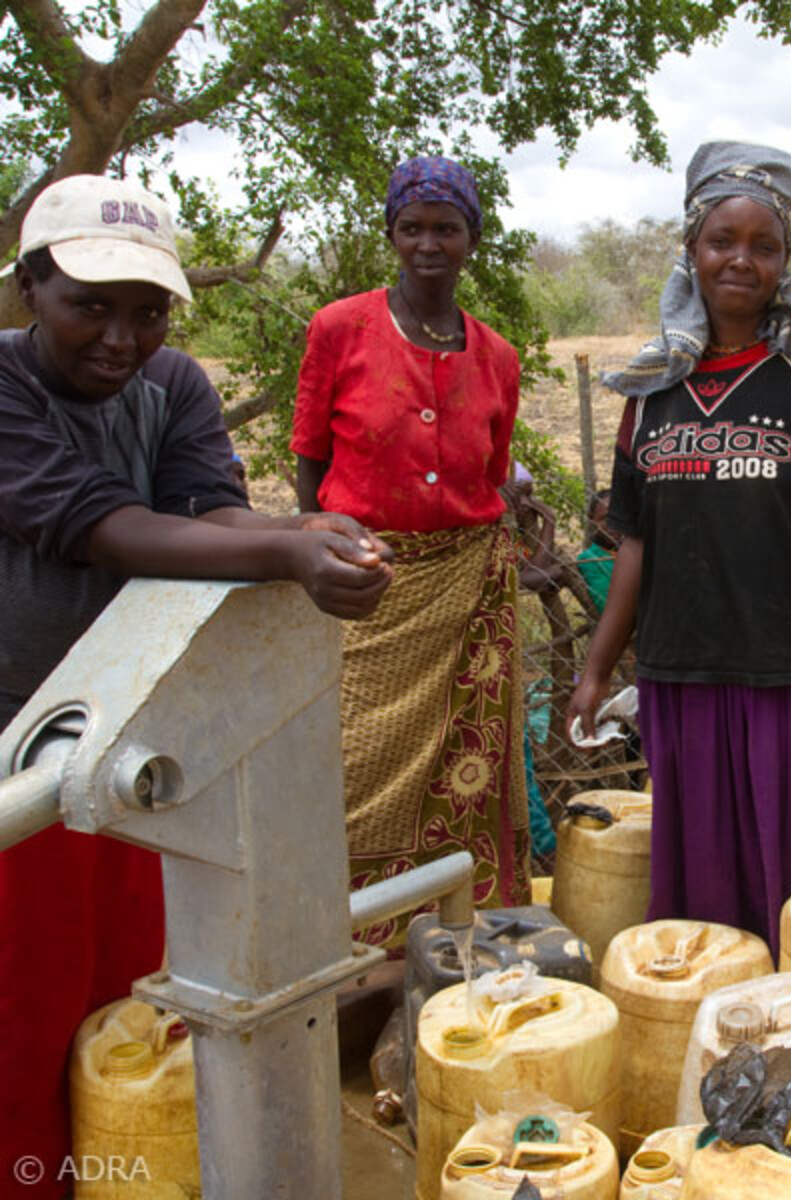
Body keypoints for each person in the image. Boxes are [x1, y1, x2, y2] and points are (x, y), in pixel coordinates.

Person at [0, 174, 392, 1193]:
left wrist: (302, 533)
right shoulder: (1, 391)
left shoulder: (173, 386)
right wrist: (285, 559)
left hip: (141, 740)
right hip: (19, 746)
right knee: (24, 1014)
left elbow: (204, 512)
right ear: (31, 287)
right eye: (89, 304)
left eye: (146, 310)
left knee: (126, 1005)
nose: (121, 338)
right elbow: (106, 528)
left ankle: (126, 1172)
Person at [568, 141, 791, 951]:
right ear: (691, 247)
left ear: (786, 260)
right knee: (708, 909)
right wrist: (594, 670)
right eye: (723, 240)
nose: (740, 260)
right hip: (684, 676)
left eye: (764, 245)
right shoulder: (650, 390)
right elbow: (636, 545)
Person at [292, 156, 530, 948]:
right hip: (369, 586)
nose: (428, 243)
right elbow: (310, 459)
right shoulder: (340, 328)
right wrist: (329, 547)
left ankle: (451, 938)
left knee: (470, 774)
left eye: (447, 228)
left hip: (469, 587)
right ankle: (339, 948)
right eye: (412, 228)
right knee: (347, 770)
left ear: (471, 240)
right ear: (392, 235)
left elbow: (492, 477)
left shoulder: (497, 357)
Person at [575, 488, 618, 614]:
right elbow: (605, 605)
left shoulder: (641, 550)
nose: (612, 524)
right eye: (604, 518)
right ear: (592, 519)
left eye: (617, 516)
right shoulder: (589, 559)